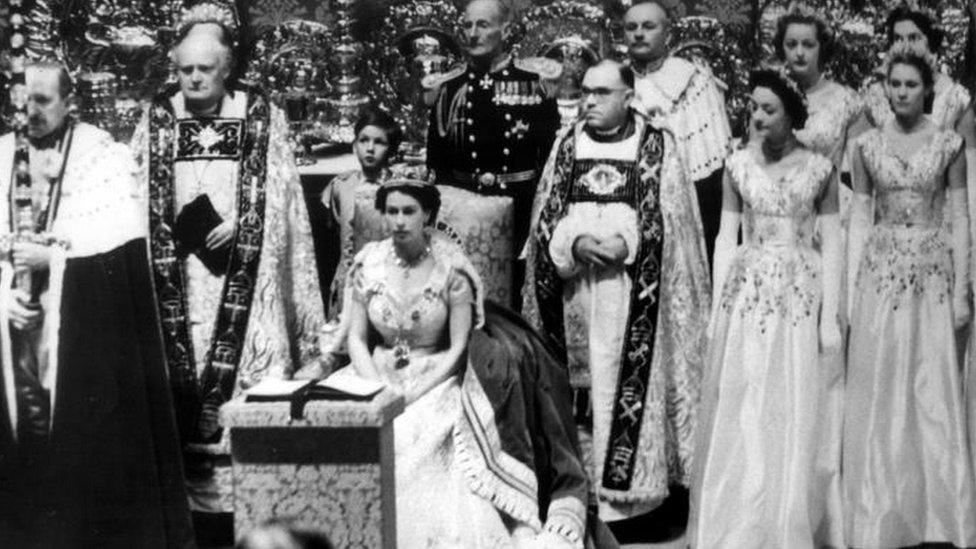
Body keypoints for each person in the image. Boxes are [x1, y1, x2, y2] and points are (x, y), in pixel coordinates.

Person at [131, 4, 326, 545]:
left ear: (227, 68)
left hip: (246, 272)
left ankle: (258, 521)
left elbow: (284, 199)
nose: (194, 79)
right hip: (180, 277)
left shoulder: (261, 114)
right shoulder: (158, 116)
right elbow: (135, 189)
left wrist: (246, 221)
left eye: (205, 71)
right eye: (185, 70)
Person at [0, 62, 193, 547]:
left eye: (43, 100)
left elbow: (116, 258)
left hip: (78, 342)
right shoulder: (2, 154)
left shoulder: (101, 156)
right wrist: (4, 298)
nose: (30, 110)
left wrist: (54, 260)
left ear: (71, 102)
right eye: (23, 100)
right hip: (11, 337)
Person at [345, 178, 590, 548]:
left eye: (409, 211)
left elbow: (460, 347)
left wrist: (415, 391)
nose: (399, 221)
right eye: (391, 211)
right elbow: (356, 339)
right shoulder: (368, 264)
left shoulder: (451, 271)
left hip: (435, 374)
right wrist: (377, 388)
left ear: (427, 214)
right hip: (374, 375)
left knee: (418, 433)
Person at [522, 59, 710, 541]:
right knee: (581, 395)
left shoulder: (657, 145)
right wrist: (573, 243)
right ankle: (581, 499)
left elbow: (674, 226)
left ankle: (633, 509)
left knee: (619, 387)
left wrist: (630, 244)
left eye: (602, 93)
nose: (589, 101)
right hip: (575, 295)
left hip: (632, 302)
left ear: (629, 95)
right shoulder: (567, 144)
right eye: (585, 92)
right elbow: (545, 216)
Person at [687, 68, 841, 548]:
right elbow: (724, 240)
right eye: (752, 107)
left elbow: (834, 243)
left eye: (768, 109)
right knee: (747, 397)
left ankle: (785, 516)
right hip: (750, 295)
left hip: (798, 293)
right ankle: (740, 514)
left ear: (791, 116)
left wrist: (831, 317)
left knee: (792, 401)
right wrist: (716, 314)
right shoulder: (737, 166)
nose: (756, 116)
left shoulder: (820, 169)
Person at [844, 48, 976, 548]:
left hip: (932, 276)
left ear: (928, 90)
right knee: (883, 385)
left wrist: (963, 289)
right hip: (879, 275)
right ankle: (882, 512)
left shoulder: (949, 144)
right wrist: (851, 289)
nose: (901, 93)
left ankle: (938, 515)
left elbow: (961, 216)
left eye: (911, 85)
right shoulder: (867, 145)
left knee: (929, 389)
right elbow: (859, 216)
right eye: (894, 85)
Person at [772, 7, 857, 544]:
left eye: (807, 46)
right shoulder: (767, 95)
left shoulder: (846, 102)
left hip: (832, 222)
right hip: (779, 228)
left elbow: (858, 168)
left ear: (822, 49)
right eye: (790, 45)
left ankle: (825, 482)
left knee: (826, 353)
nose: (798, 54)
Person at [425, 0, 561, 305]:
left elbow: (550, 161)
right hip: (462, 214)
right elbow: (435, 166)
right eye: (467, 25)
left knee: (512, 301)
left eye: (483, 25)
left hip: (520, 210)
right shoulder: (449, 88)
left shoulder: (534, 84)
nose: (472, 34)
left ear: (506, 30)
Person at [623, 0, 732, 264]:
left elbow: (710, 172)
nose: (638, 33)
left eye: (649, 26)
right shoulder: (613, 80)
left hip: (684, 209)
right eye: (631, 27)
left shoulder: (693, 79)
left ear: (667, 33)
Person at [322, 108, 401, 317]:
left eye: (379, 142)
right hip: (348, 284)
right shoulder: (340, 186)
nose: (370, 148)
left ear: (391, 149)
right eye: (364, 140)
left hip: (388, 285)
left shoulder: (399, 189)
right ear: (354, 145)